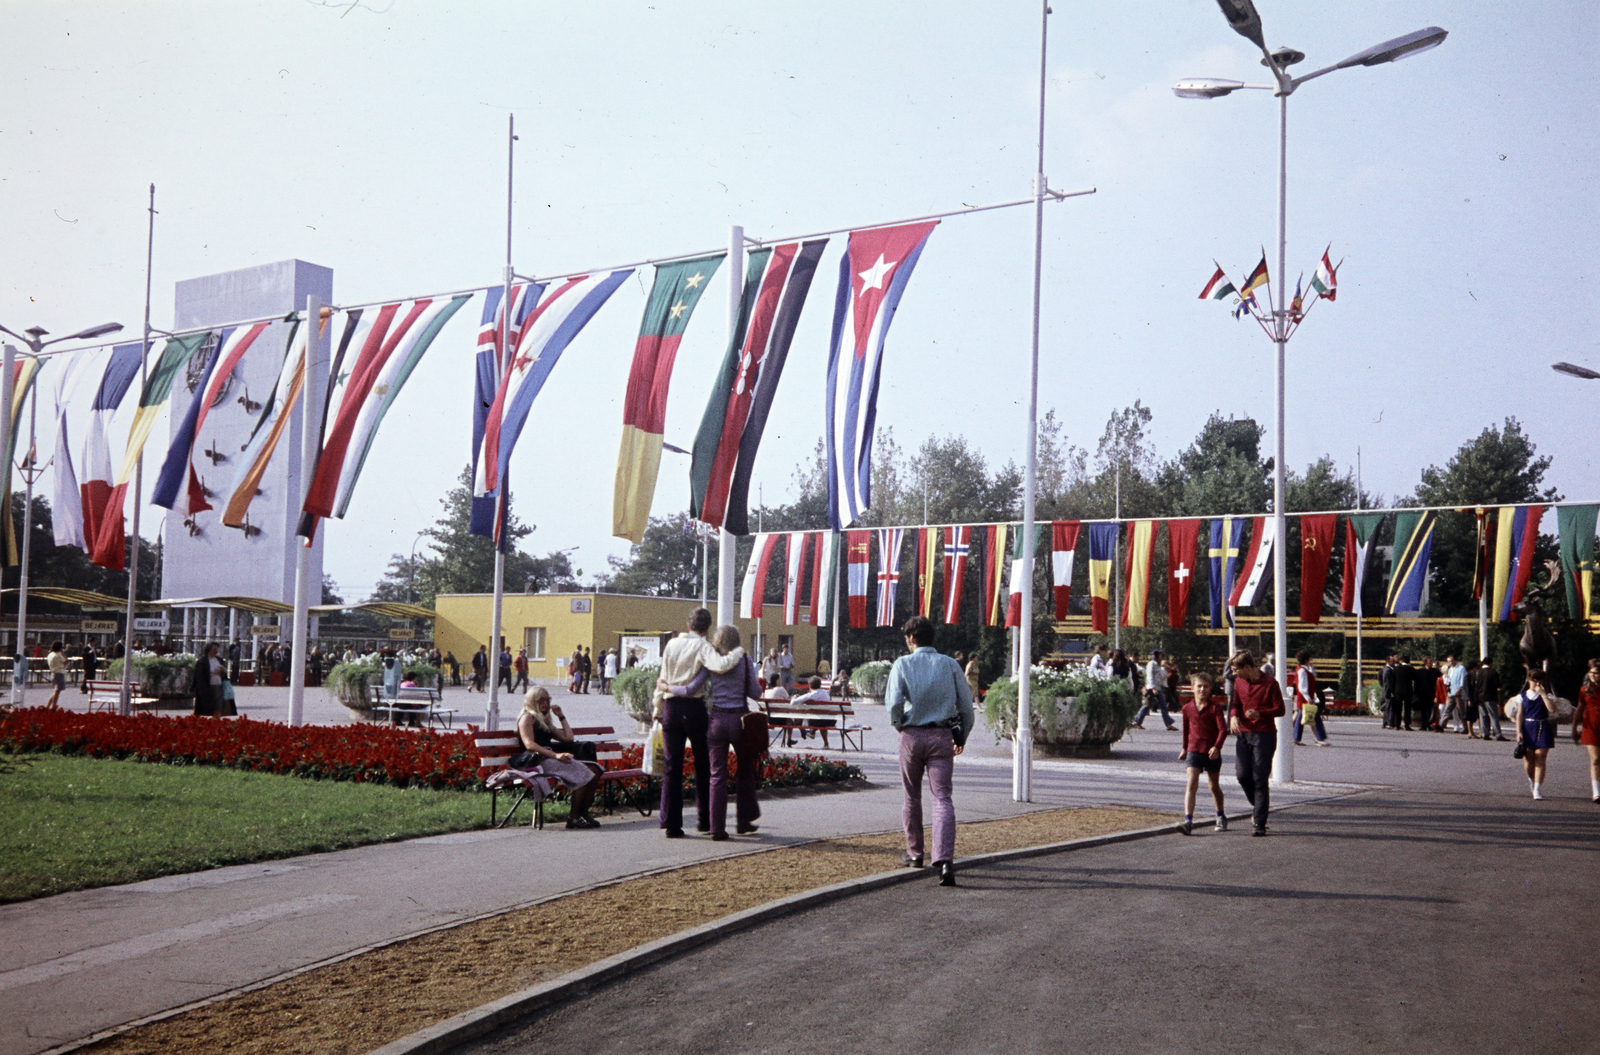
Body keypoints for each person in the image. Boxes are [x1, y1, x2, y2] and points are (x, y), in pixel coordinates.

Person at [885, 615, 974, 887]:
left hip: (912, 736)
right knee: (942, 798)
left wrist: (900, 725)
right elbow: (966, 707)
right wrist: (962, 734)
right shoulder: (950, 665)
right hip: (941, 736)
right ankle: (945, 859)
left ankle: (915, 854)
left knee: (912, 796)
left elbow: (894, 705)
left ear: (911, 638)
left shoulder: (902, 664)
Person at [661, 625, 763, 839]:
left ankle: (716, 828)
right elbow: (756, 693)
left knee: (717, 774)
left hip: (716, 721)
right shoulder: (744, 660)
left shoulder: (711, 662)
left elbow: (690, 689)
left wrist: (667, 688)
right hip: (739, 721)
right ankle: (744, 821)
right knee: (744, 771)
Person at [513, 688, 601, 829]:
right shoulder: (527, 718)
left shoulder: (545, 721)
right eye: (541, 700)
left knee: (595, 770)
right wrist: (555, 755)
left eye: (547, 700)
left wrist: (561, 716)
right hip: (538, 760)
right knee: (583, 771)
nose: (545, 703)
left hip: (549, 758)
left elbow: (568, 738)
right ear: (531, 701)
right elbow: (529, 744)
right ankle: (574, 817)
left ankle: (583, 813)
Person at [1227, 649, 1285, 836]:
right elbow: (1235, 705)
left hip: (1264, 735)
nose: (1234, 673)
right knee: (1242, 775)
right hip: (1244, 734)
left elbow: (1280, 709)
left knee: (1259, 778)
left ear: (1248, 667)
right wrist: (1234, 717)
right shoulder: (1238, 683)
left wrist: (1260, 713)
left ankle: (1259, 822)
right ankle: (1259, 804)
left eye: (1236, 670)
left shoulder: (1270, 683)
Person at [1177, 671, 1229, 834]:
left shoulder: (1215, 708)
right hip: (1194, 750)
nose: (1202, 690)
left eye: (1206, 687)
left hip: (1211, 752)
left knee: (1213, 786)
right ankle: (1188, 821)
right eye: (1199, 686)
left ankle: (1220, 815)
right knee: (1191, 784)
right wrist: (1185, 748)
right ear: (1192, 688)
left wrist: (1217, 747)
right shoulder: (1187, 708)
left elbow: (1223, 729)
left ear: (1210, 688)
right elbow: (1186, 730)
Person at [1512, 668, 1558, 801]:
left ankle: (1537, 788)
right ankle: (1531, 781)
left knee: (1541, 758)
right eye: (1534, 680)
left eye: (1540, 680)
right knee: (1528, 759)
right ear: (1529, 680)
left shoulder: (1546, 695)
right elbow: (1520, 714)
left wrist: (1543, 694)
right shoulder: (1522, 696)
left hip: (1543, 726)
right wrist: (1518, 731)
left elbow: (1552, 709)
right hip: (1528, 727)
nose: (1537, 683)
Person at [1573, 659, 1600, 804]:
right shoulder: (1584, 690)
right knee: (1595, 759)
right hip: (1590, 728)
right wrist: (1574, 727)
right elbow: (1579, 709)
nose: (1594, 676)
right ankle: (1596, 792)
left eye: (1597, 673)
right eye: (1592, 673)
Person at [1291, 649, 1329, 746]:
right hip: (1305, 698)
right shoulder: (1303, 671)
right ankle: (1320, 738)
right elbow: (1302, 686)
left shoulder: (1302, 669)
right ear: (1307, 659)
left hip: (1303, 698)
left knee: (1300, 718)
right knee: (1315, 718)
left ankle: (1296, 738)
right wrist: (1308, 698)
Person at [1133, 649, 1175, 731]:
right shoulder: (1151, 664)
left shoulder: (1157, 664)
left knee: (1163, 705)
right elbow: (1150, 676)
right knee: (1147, 705)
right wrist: (1153, 688)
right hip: (1152, 688)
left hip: (1157, 687)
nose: (1161, 656)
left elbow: (1158, 677)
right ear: (1156, 655)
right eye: (1160, 654)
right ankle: (1137, 721)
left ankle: (1168, 724)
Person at [1473, 659, 1506, 741]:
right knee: (1493, 715)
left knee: (1483, 715)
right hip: (1490, 696)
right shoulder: (1492, 672)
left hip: (1480, 697)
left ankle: (1485, 733)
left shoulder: (1478, 672)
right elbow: (1498, 684)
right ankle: (1498, 734)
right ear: (1490, 663)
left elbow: (1475, 684)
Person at [192, 643, 223, 716]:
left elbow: (224, 674)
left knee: (218, 705)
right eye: (214, 649)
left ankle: (217, 721)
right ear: (209, 650)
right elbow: (199, 675)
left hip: (218, 684)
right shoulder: (202, 661)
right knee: (206, 706)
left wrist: (223, 671)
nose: (216, 651)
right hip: (207, 685)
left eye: (217, 649)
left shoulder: (219, 659)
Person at [44, 642, 68, 708]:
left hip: (53, 673)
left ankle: (48, 706)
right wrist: (63, 653)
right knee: (57, 692)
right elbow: (66, 661)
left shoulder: (50, 654)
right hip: (59, 673)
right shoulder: (58, 655)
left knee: (55, 691)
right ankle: (53, 707)